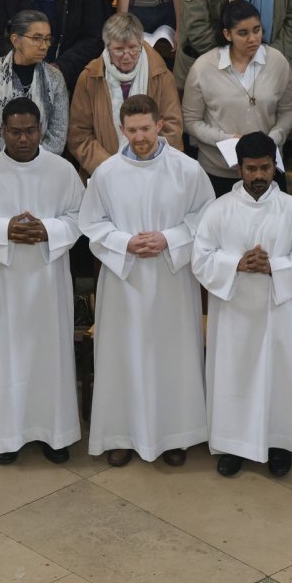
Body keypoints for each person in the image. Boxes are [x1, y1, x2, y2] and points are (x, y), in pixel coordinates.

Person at [79, 94, 215, 467]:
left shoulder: (186, 169)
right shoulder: (106, 173)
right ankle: (122, 434)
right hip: (125, 280)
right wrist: (126, 242)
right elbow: (91, 223)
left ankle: (174, 435)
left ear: (160, 126)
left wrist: (168, 238)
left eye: (146, 128)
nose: (139, 136)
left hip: (171, 279)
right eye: (132, 130)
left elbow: (205, 216)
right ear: (122, 129)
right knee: (123, 356)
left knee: (172, 355)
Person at [0, 97, 84, 463]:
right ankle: (4, 434)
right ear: (2, 132)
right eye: (15, 132)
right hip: (0, 282)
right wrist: (4, 229)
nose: (23, 139)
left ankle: (52, 434)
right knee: (2, 355)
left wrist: (47, 229)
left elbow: (79, 218)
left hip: (46, 280)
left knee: (48, 356)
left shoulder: (62, 171)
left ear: (41, 130)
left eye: (30, 131)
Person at [192, 131, 292, 478]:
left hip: (279, 313)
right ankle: (233, 445)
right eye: (251, 169)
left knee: (280, 378)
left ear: (274, 165)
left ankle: (279, 444)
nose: (259, 176)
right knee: (236, 378)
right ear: (239, 169)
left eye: (265, 167)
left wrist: (273, 266)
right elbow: (201, 258)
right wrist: (236, 264)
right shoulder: (218, 211)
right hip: (235, 314)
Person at [183, 0, 292, 196]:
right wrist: (227, 140)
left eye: (257, 30)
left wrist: (272, 139)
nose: (252, 38)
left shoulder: (277, 61)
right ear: (227, 34)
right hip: (219, 169)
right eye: (243, 33)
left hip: (267, 167)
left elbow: (289, 110)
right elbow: (191, 121)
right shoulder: (203, 67)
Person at [69, 12, 183, 177]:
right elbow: (79, 134)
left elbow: (172, 126)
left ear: (141, 44)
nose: (127, 56)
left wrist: (148, 164)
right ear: (107, 47)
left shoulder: (161, 75)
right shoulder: (89, 78)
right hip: (105, 174)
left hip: (154, 173)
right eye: (119, 49)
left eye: (133, 48)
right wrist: (111, 168)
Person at [0, 10, 69, 158]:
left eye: (47, 39)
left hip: (43, 166)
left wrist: (39, 163)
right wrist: (2, 164)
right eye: (37, 38)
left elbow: (58, 132)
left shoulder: (55, 77)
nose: (44, 46)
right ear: (15, 40)